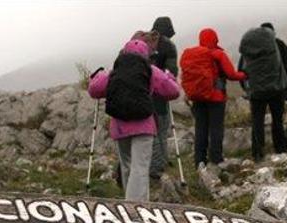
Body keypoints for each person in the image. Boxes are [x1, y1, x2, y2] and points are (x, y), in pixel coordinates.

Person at [88, 39, 180, 201]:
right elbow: (172, 91)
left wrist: (97, 77)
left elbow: (94, 90)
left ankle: (128, 203)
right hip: (143, 125)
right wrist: (169, 76)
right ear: (146, 54)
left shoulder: (115, 71)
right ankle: (135, 209)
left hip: (120, 126)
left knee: (127, 166)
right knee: (140, 168)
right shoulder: (150, 70)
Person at [180, 28, 247, 168]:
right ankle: (216, 158)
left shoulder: (193, 55)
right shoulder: (218, 54)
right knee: (216, 128)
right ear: (215, 39)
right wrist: (245, 75)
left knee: (201, 128)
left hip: (197, 98)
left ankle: (199, 160)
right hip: (215, 97)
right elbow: (231, 74)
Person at [239, 26, 287, 162]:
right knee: (277, 120)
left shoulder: (248, 47)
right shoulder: (278, 44)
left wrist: (246, 89)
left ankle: (257, 152)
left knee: (257, 122)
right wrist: (284, 84)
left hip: (256, 91)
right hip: (276, 89)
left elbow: (242, 70)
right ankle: (280, 149)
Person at [149, 17, 178, 179]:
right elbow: (171, 71)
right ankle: (158, 165)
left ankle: (156, 162)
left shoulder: (143, 41)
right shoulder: (168, 46)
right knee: (161, 128)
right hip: (160, 93)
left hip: (142, 93)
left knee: (149, 130)